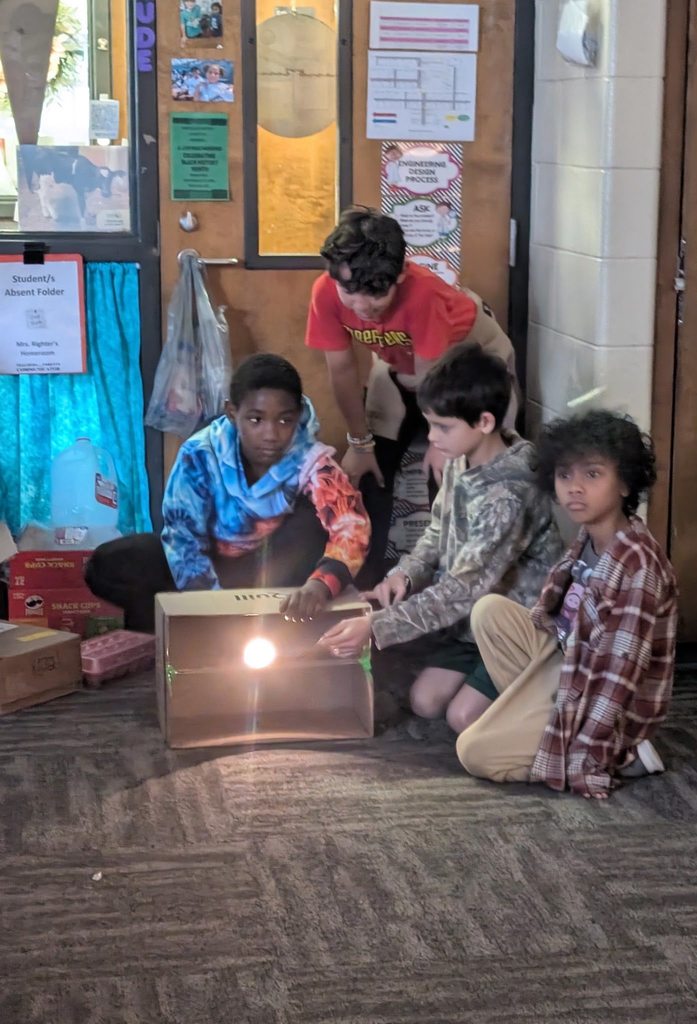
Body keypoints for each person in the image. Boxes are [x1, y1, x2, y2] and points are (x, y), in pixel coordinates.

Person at [317, 343, 561, 731]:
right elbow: (436, 530)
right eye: (429, 423)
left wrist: (377, 626)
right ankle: (492, 680)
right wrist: (405, 574)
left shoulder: (509, 494)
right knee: (425, 701)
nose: (431, 437)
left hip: (515, 629)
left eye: (442, 426)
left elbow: (462, 590)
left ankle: (557, 693)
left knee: (462, 718)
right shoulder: (464, 458)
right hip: (469, 625)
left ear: (483, 421)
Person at [454, 409, 678, 799]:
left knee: (474, 752)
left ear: (624, 483)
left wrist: (588, 760)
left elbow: (618, 677)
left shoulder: (637, 565)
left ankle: (623, 755)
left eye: (592, 475)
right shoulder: (588, 539)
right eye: (564, 475)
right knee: (489, 611)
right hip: (570, 662)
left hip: (601, 690)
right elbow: (556, 620)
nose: (574, 488)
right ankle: (537, 721)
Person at [305, 206, 520, 586]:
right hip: (402, 364)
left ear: (400, 275)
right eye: (348, 293)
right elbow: (341, 370)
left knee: (457, 468)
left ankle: (458, 586)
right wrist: (360, 441)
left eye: (375, 295)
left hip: (471, 365)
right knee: (367, 468)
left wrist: (440, 437)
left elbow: (435, 380)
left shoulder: (423, 296)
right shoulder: (326, 293)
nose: (361, 307)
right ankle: (366, 583)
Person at [85, 354, 370, 632]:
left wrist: (320, 584)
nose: (270, 434)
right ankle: (182, 635)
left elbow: (351, 524)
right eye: (256, 420)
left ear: (297, 416)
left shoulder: (311, 458)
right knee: (109, 564)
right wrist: (214, 607)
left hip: (271, 567)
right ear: (233, 413)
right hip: (210, 563)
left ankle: (280, 623)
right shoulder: (199, 455)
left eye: (284, 421)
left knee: (312, 526)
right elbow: (183, 538)